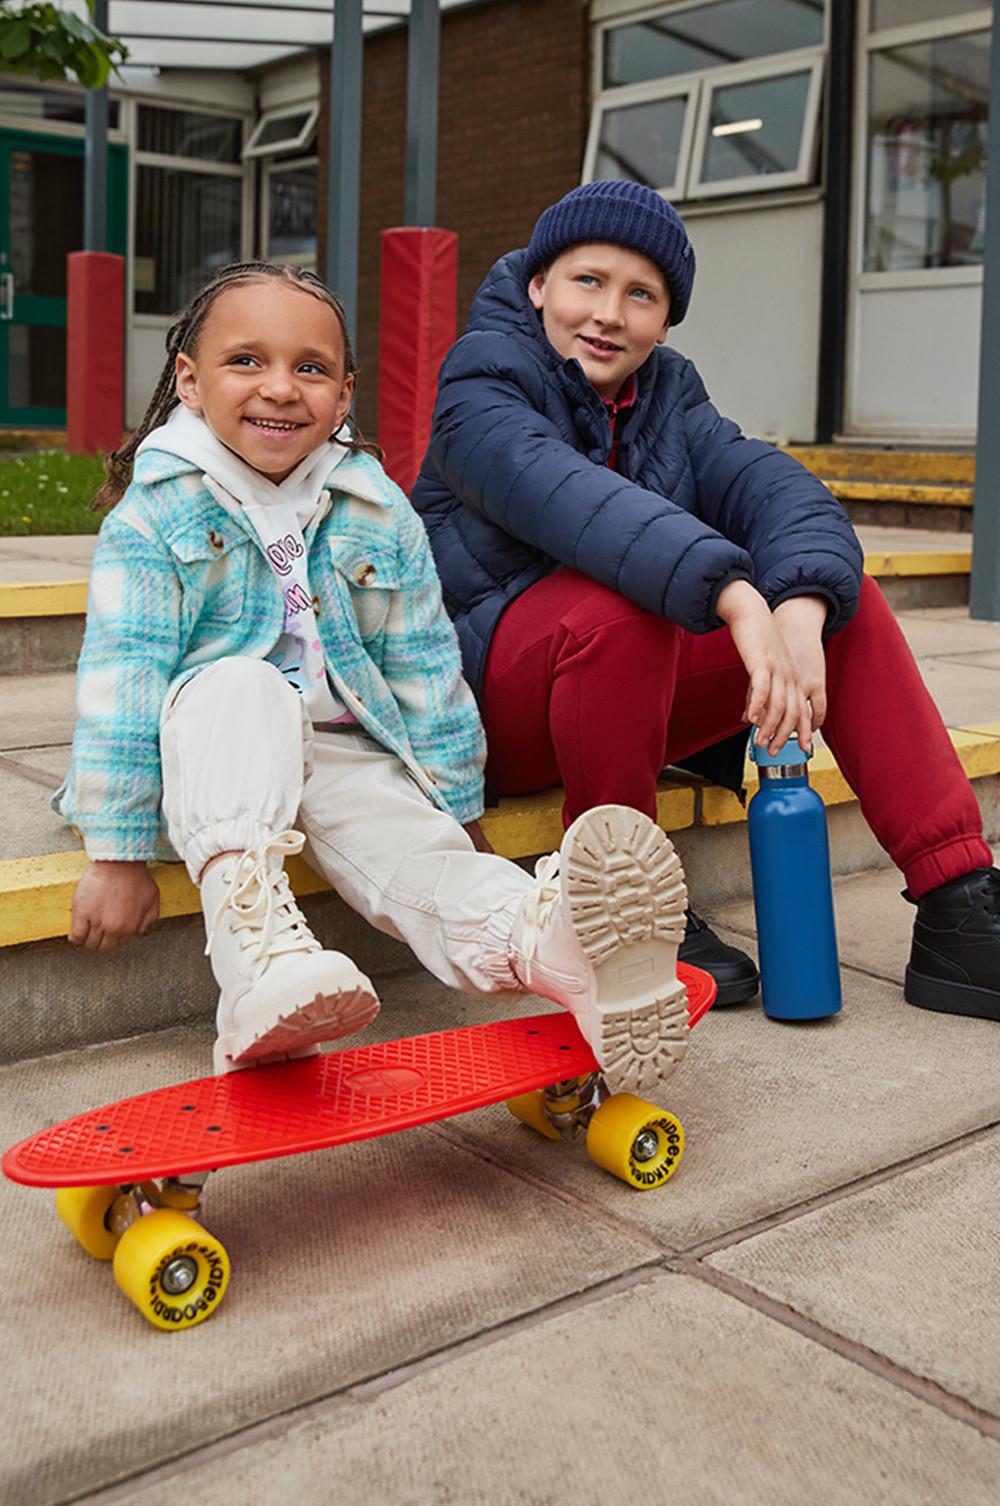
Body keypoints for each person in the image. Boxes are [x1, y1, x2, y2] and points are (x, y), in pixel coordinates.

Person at [55, 259, 697, 1092]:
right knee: (242, 683)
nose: (280, 388)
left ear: (346, 394)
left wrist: (459, 806)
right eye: (246, 361)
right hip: (214, 760)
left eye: (311, 368)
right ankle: (263, 965)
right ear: (188, 379)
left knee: (418, 853)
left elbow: (425, 664)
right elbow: (123, 681)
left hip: (343, 748)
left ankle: (550, 943)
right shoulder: (159, 513)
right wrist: (117, 852)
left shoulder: (374, 508)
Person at [412, 180, 1000, 1023]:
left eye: (640, 295)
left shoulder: (669, 397)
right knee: (620, 605)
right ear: (538, 283)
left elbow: (779, 492)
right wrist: (732, 592)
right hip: (490, 708)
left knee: (847, 600)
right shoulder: (480, 383)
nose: (609, 313)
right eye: (588, 281)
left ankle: (959, 903)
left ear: (665, 319)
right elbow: (571, 500)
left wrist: (796, 606)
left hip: (619, 692)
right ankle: (623, 906)